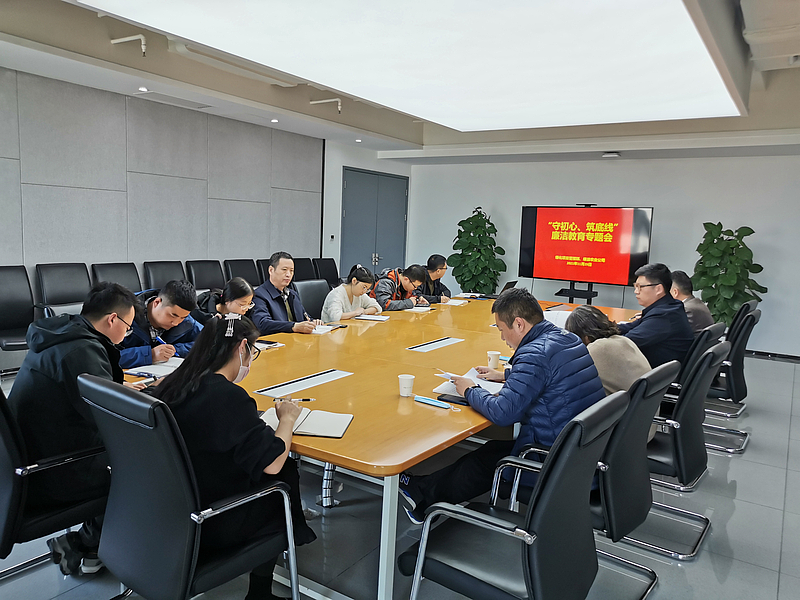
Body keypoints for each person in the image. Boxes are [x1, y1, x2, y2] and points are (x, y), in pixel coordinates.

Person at [397, 288, 605, 524]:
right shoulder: (567, 339)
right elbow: (550, 373)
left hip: (557, 463)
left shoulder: (533, 354)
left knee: (485, 463)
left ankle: (424, 499)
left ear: (519, 324)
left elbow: (503, 413)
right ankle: (423, 490)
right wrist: (507, 375)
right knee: (493, 449)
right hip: (584, 451)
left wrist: (469, 390)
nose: (502, 337)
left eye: (501, 329)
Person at [152, 314, 316, 600]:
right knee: (283, 477)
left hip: (165, 510)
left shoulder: (173, 383)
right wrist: (287, 420)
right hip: (211, 518)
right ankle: (260, 593)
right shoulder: (227, 395)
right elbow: (273, 462)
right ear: (242, 348)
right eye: (253, 351)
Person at [7, 282, 145, 575]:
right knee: (142, 469)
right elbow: (113, 421)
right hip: (50, 472)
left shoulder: (62, 334)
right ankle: (85, 543)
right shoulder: (82, 351)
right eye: (128, 327)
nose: (127, 334)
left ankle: (91, 545)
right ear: (112, 319)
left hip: (26, 461)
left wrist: (118, 391)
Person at [565, 305, 657, 441]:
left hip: (626, 435)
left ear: (585, 338)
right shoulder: (624, 340)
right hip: (645, 426)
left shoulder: (596, 349)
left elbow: (567, 380)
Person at [617, 263, 694, 367]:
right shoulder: (669, 307)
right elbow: (630, 327)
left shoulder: (664, 315)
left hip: (655, 374)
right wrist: (603, 327)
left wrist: (599, 337)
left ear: (658, 289)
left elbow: (625, 343)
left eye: (640, 287)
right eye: (635, 286)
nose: (636, 291)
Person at [119, 279, 203, 369]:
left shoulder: (187, 322)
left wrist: (176, 349)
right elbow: (109, 356)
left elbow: (209, 342)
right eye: (173, 315)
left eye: (183, 317)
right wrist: (150, 354)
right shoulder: (121, 314)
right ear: (157, 302)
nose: (176, 323)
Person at [251, 251, 324, 335]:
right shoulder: (259, 295)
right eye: (284, 270)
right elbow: (262, 324)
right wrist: (293, 326)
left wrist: (313, 322)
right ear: (271, 270)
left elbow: (305, 317)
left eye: (291, 271)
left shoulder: (292, 294)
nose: (288, 274)